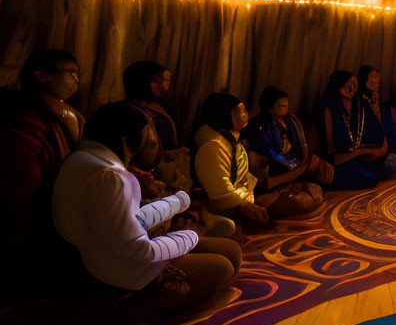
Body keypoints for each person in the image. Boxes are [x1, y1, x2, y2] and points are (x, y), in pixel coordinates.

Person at [53, 102, 241, 310]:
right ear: (127, 139)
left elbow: (125, 224)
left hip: (105, 255)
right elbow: (135, 249)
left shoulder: (85, 159)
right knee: (223, 267)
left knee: (231, 251)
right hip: (115, 274)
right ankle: (139, 308)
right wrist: (184, 239)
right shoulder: (111, 177)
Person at [0, 50, 85, 267]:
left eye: (78, 75)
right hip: (35, 220)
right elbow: (23, 179)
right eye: (71, 73)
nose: (76, 80)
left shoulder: (64, 112)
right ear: (42, 76)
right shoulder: (27, 120)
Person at [195, 92, 322, 222]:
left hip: (253, 191)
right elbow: (222, 192)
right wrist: (250, 203)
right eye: (241, 112)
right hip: (239, 204)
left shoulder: (234, 141)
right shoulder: (214, 147)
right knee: (304, 201)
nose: (245, 116)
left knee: (313, 190)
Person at [318, 71, 396, 189]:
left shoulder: (360, 103)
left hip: (367, 154)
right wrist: (359, 152)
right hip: (344, 159)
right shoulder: (329, 107)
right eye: (348, 85)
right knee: (367, 178)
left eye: (355, 85)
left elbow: (378, 133)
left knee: (394, 163)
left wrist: (372, 151)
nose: (352, 89)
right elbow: (332, 150)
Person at [122, 60, 192, 194]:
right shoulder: (133, 112)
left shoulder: (155, 107)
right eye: (158, 80)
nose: (163, 85)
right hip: (150, 177)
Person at [245, 87, 334, 186]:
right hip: (277, 168)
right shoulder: (261, 126)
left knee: (326, 168)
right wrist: (293, 164)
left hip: (295, 161)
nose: (286, 108)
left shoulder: (291, 120)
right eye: (281, 106)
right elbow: (270, 152)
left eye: (286, 105)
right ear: (270, 108)